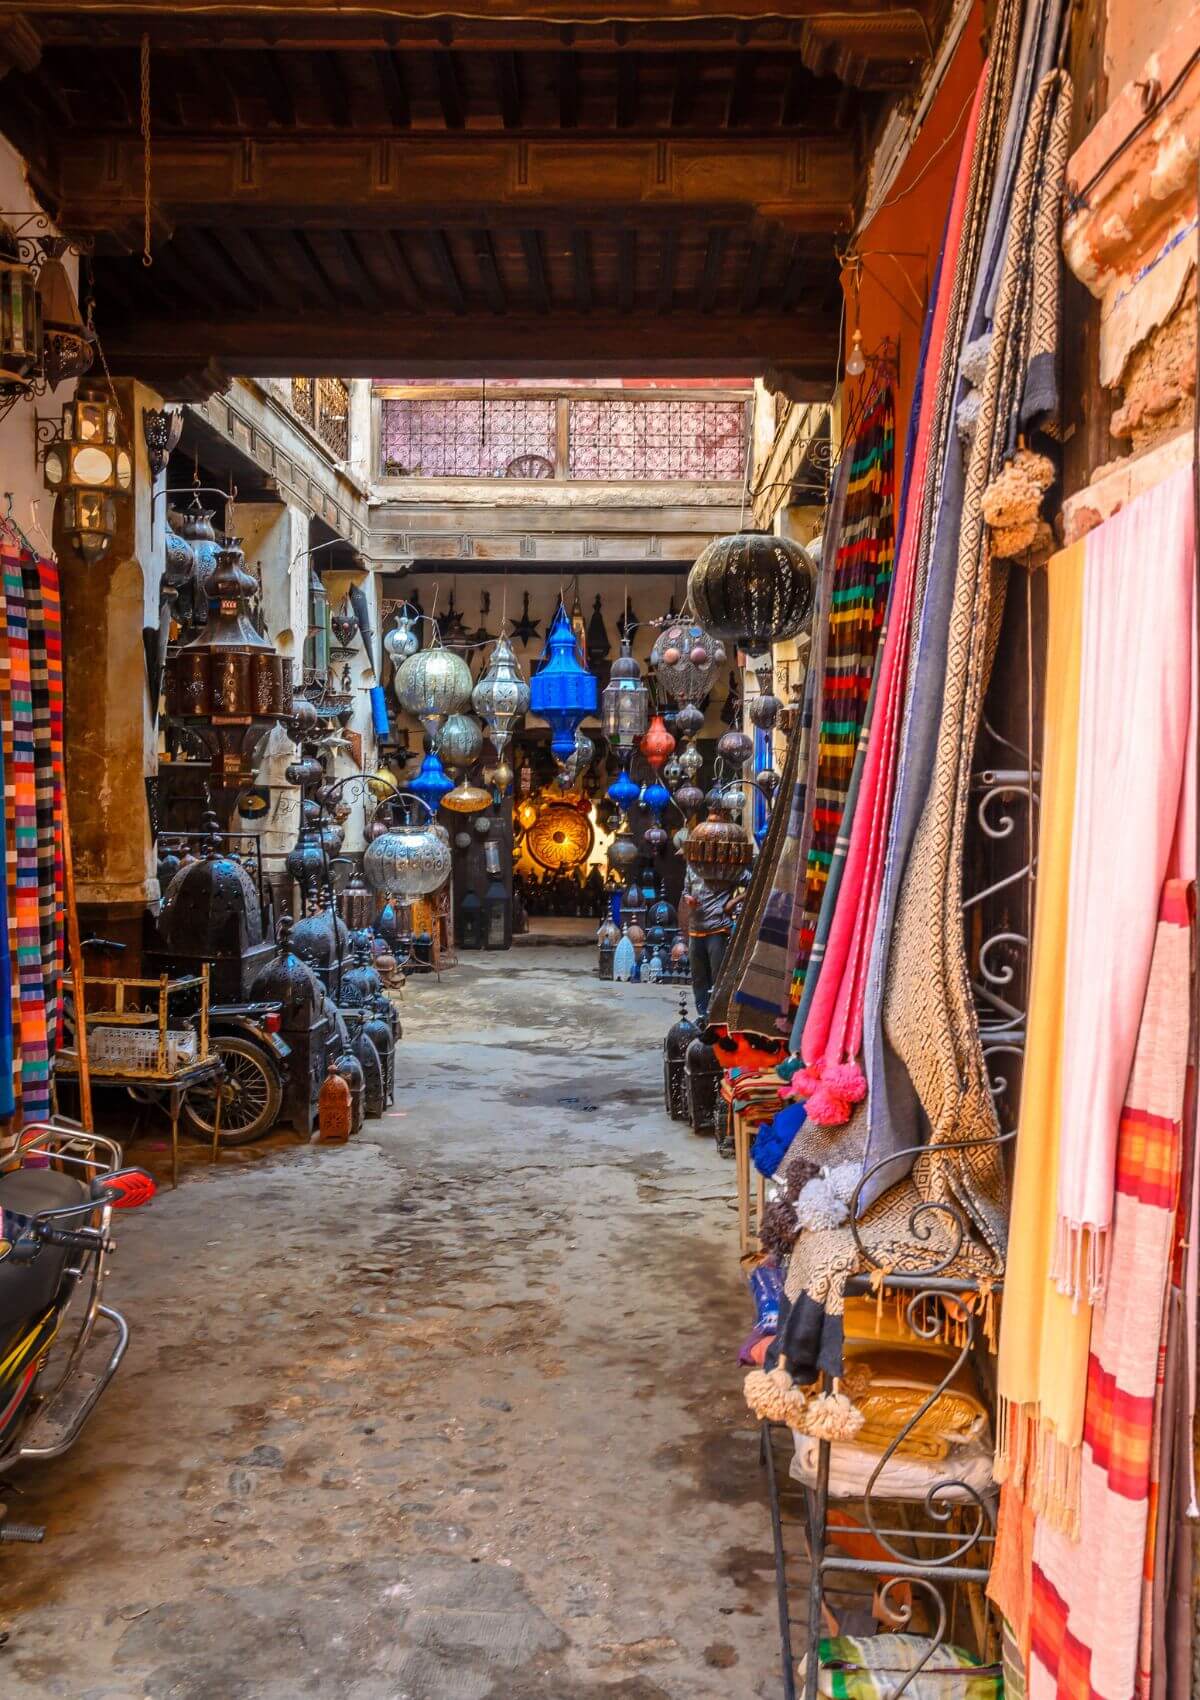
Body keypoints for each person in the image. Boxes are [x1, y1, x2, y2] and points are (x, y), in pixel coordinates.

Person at [680, 865, 739, 1021]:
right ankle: (702, 1015)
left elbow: (752, 883)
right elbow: (685, 890)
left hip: (717, 928)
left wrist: (733, 902)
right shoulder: (692, 866)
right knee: (698, 977)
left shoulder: (727, 866)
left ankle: (717, 1017)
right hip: (695, 928)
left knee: (717, 975)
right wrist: (688, 899)